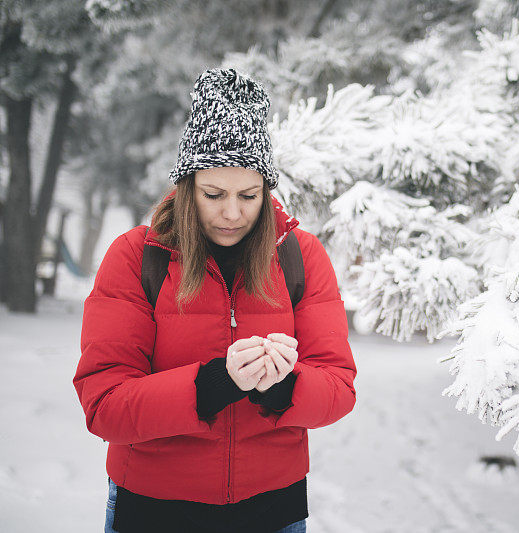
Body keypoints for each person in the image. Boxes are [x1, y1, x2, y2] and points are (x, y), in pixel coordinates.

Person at [73, 68, 357, 532]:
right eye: (213, 194)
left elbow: (339, 388)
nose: (231, 213)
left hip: (274, 509)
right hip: (154, 510)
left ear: (267, 190)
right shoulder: (136, 257)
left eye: (249, 195)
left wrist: (282, 386)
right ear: (187, 187)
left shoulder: (300, 256)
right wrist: (213, 383)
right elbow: (104, 404)